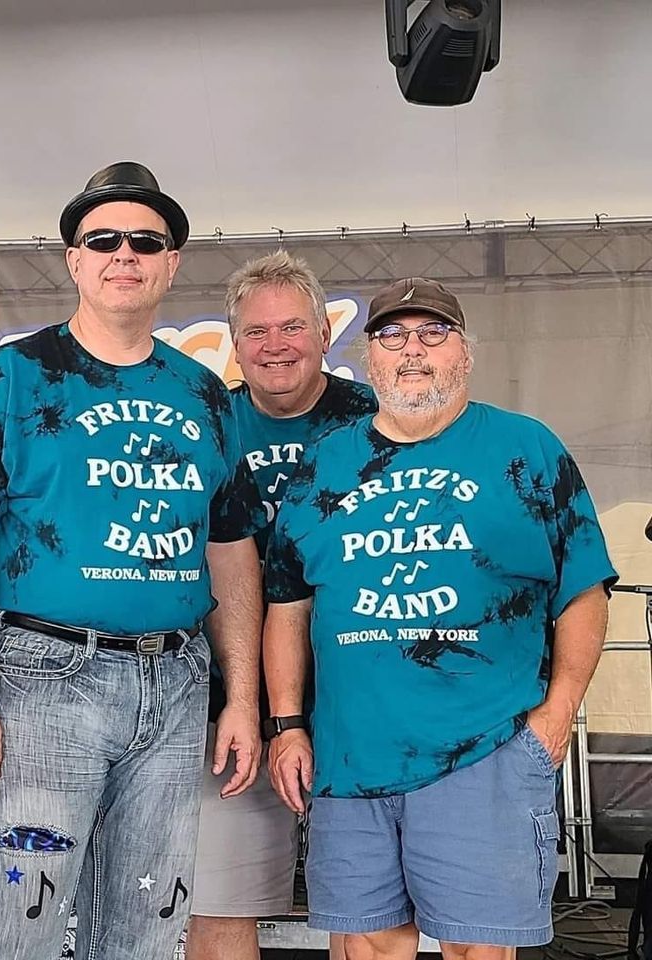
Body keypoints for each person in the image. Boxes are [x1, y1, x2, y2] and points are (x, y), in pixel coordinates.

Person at [0, 161, 265, 960]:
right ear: (74, 259)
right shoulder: (14, 375)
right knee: (19, 924)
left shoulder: (207, 395)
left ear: (171, 263)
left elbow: (233, 553)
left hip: (176, 684)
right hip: (42, 679)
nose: (124, 253)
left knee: (152, 924)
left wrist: (240, 696)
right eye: (101, 238)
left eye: (145, 241)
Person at [265, 277, 617, 960]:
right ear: (369, 359)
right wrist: (287, 723)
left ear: (465, 353)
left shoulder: (525, 449)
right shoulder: (324, 464)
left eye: (434, 333)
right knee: (367, 945)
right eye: (393, 335)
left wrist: (560, 711)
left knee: (476, 949)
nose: (413, 350)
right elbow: (287, 603)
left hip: (485, 747)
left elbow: (583, 588)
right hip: (350, 756)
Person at [187, 251, 375, 960]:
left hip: (356, 700)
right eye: (257, 332)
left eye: (292, 327)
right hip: (227, 699)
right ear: (234, 343)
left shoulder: (376, 422)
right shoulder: (207, 425)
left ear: (325, 334)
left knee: (367, 912)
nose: (275, 346)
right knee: (219, 902)